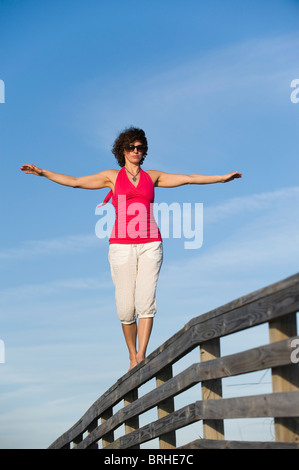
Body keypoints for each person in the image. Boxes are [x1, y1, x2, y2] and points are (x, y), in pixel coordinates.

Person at [20, 126, 242, 371]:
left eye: (140, 148)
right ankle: (131, 354)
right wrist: (42, 173)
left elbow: (188, 178)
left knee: (146, 301)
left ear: (144, 151)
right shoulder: (112, 177)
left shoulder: (153, 177)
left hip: (150, 244)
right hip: (121, 246)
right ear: (122, 151)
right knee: (126, 307)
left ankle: (141, 356)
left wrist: (221, 178)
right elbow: (75, 182)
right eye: (131, 147)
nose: (136, 151)